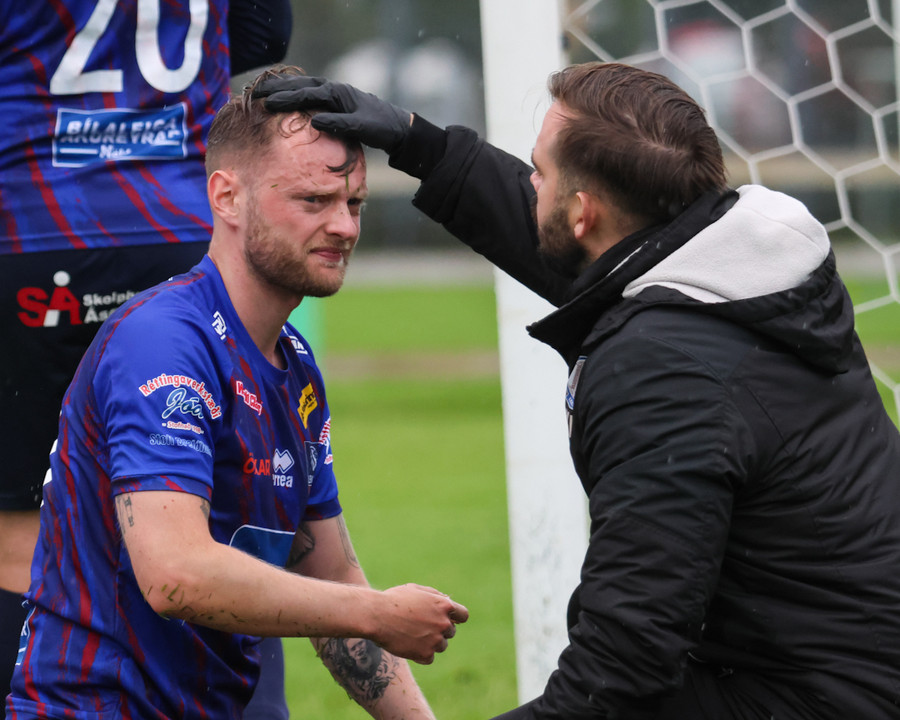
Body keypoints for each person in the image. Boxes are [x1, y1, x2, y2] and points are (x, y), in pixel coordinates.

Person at [253, 62, 900, 719]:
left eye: (539, 171)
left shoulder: (663, 375)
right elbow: (576, 245)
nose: (529, 183)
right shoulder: (738, 271)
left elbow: (624, 668)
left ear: (584, 213)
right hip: (838, 668)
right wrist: (417, 141)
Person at [5, 64, 467, 720]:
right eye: (314, 201)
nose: (344, 227)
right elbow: (176, 576)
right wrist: (375, 612)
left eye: (354, 204)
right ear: (226, 197)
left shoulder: (295, 366)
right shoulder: (163, 342)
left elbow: (331, 574)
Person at [0, 0, 294, 711]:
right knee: (224, 516)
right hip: (181, 225)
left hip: (34, 227)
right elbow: (264, 32)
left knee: (19, 532)